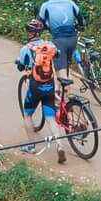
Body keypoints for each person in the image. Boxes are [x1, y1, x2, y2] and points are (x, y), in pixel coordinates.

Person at [16, 20, 66, 162]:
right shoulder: (50, 45)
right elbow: (58, 54)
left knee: (27, 115)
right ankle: (60, 145)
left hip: (35, 87)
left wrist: (23, 64)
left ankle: (31, 146)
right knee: (50, 118)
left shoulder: (27, 48)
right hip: (49, 86)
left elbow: (20, 66)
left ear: (31, 33)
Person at [33, 0, 82, 83]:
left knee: (61, 68)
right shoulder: (70, 3)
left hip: (59, 39)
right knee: (66, 64)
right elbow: (80, 17)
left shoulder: (46, 5)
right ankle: (60, 91)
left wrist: (45, 28)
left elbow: (39, 24)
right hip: (73, 38)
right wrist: (80, 26)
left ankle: (67, 96)